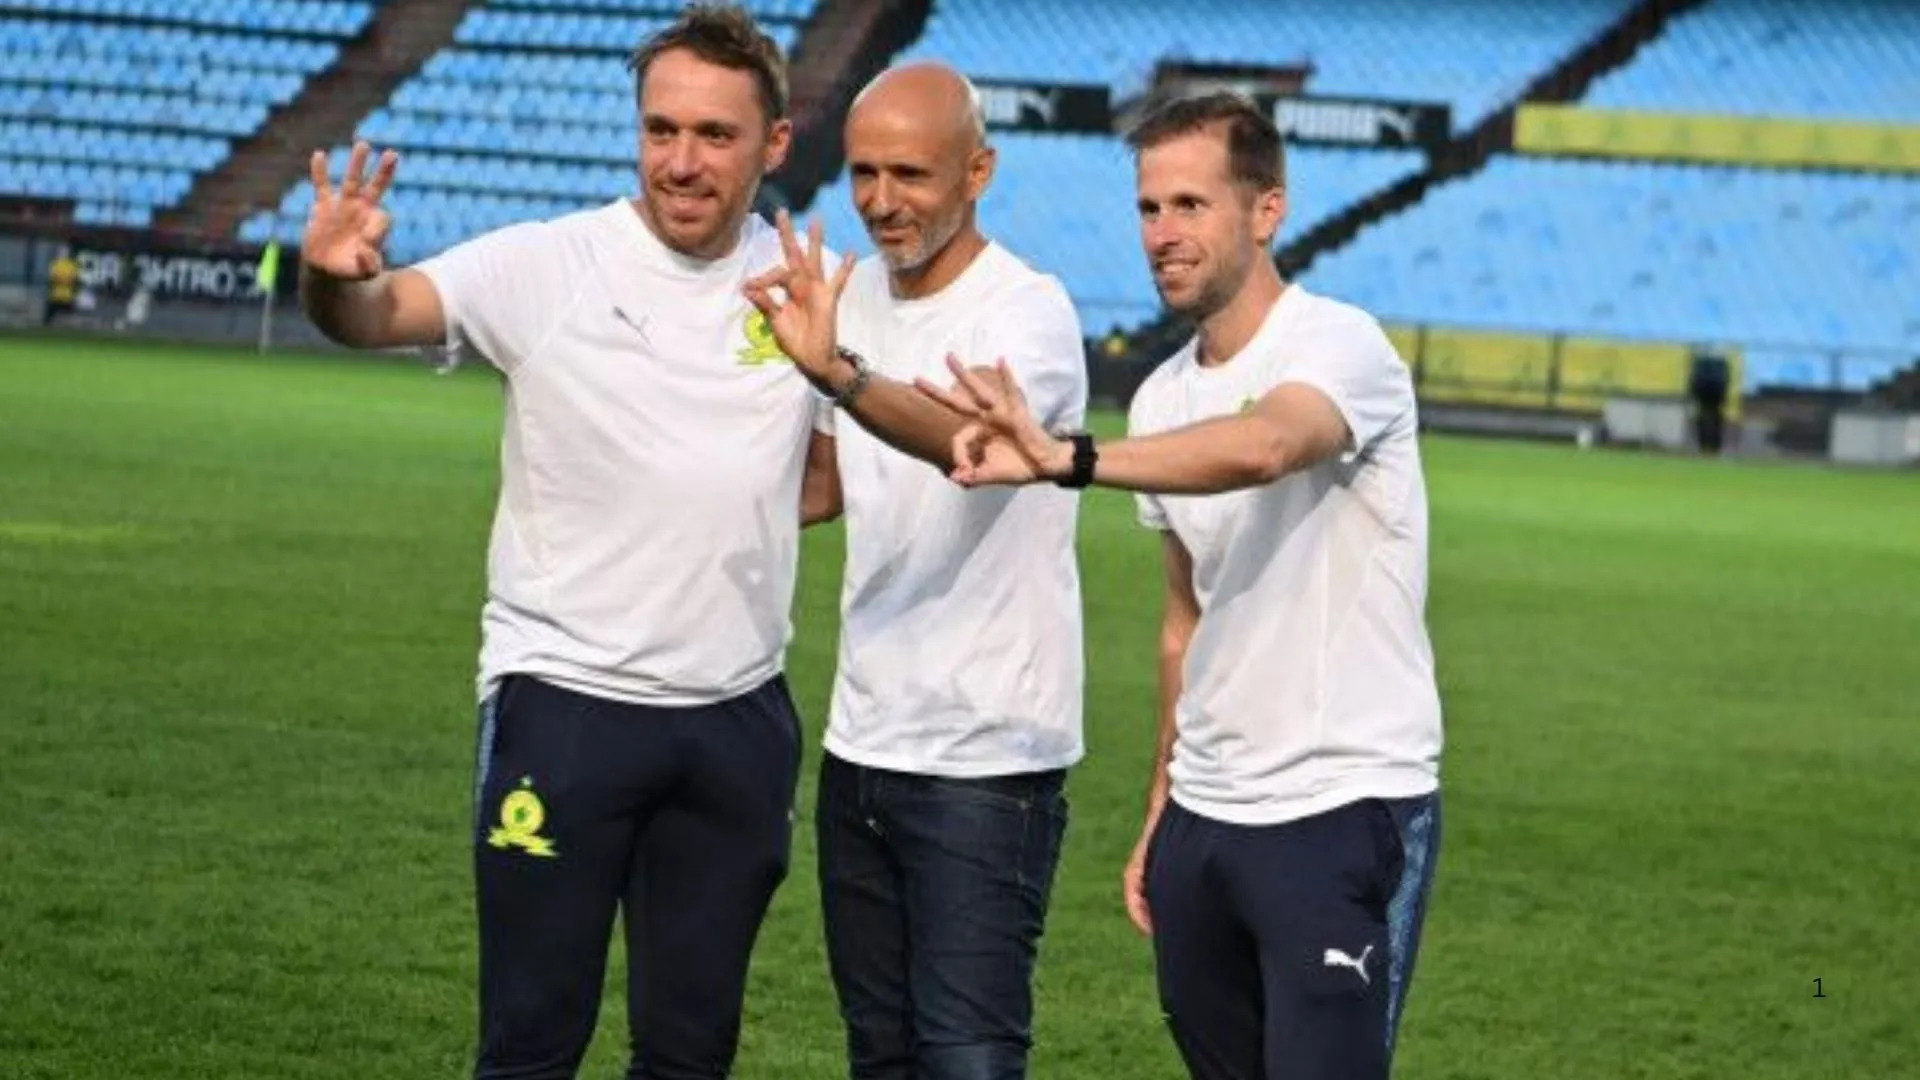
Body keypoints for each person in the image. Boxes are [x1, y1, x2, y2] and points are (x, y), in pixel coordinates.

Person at [297, 7, 838, 1079]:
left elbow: (824, 481)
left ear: (776, 143)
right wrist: (332, 277)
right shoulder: (548, 264)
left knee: (691, 1054)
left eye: (715, 135)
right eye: (660, 130)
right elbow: (374, 314)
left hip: (736, 719)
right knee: (531, 1047)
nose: (680, 162)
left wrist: (691, 509)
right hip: (565, 704)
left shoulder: (813, 289)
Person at [916, 91, 1444, 1080]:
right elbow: (1183, 618)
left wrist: (1069, 458)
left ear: (1266, 209)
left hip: (1340, 804)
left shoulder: (1340, 344)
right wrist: (1163, 803)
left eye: (1191, 205)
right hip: (1205, 823)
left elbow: (1269, 443)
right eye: (1150, 208)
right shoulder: (1162, 398)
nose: (1162, 234)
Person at [740, 62, 1087, 1080]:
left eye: (911, 174)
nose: (882, 201)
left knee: (969, 1058)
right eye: (863, 173)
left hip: (988, 758)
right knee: (880, 1056)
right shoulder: (848, 302)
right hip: (862, 740)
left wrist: (838, 373)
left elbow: (972, 447)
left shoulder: (1027, 311)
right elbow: (819, 487)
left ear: (978, 171)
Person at [44, 245, 79, 326]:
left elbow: (53, 279)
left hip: (61, 295)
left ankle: (48, 324)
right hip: (63, 295)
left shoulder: (57, 264)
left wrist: (61, 280)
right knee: (53, 309)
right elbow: (73, 280)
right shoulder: (70, 265)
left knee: (51, 311)